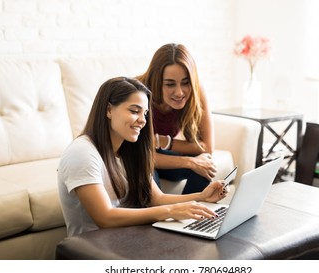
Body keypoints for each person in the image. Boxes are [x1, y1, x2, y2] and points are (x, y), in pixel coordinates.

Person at [57, 77, 229, 237]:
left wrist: (201, 197)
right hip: (95, 246)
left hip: (129, 236)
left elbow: (157, 199)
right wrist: (171, 211)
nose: (143, 120)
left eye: (145, 114)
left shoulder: (129, 150)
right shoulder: (82, 153)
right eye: (134, 111)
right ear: (109, 110)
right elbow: (105, 218)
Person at [137, 43, 216, 194]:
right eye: (170, 84)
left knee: (205, 165)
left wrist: (163, 141)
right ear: (156, 81)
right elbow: (142, 156)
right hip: (141, 159)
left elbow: (207, 148)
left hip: (160, 153)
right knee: (146, 170)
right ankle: (162, 214)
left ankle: (191, 215)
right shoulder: (138, 92)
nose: (179, 92)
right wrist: (190, 162)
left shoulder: (196, 90)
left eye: (185, 83)